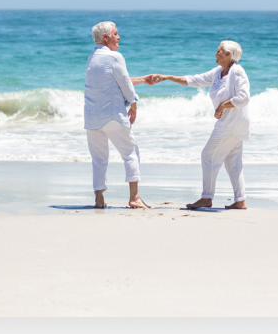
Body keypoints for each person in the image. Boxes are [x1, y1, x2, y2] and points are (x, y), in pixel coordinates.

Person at [152, 41, 250, 209]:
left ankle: (207, 197)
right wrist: (168, 77)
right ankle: (240, 200)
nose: (215, 54)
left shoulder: (237, 71)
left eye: (218, 51)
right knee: (232, 160)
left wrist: (222, 106)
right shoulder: (218, 72)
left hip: (231, 124)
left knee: (208, 155)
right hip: (232, 124)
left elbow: (244, 97)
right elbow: (195, 80)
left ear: (228, 55)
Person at [84, 21, 158, 209]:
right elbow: (124, 83)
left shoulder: (92, 58)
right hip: (112, 115)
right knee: (131, 152)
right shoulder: (115, 57)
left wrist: (142, 79)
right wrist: (133, 105)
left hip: (92, 117)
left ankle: (99, 198)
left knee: (99, 158)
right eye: (115, 34)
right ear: (105, 37)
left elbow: (117, 79)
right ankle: (134, 197)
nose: (119, 37)